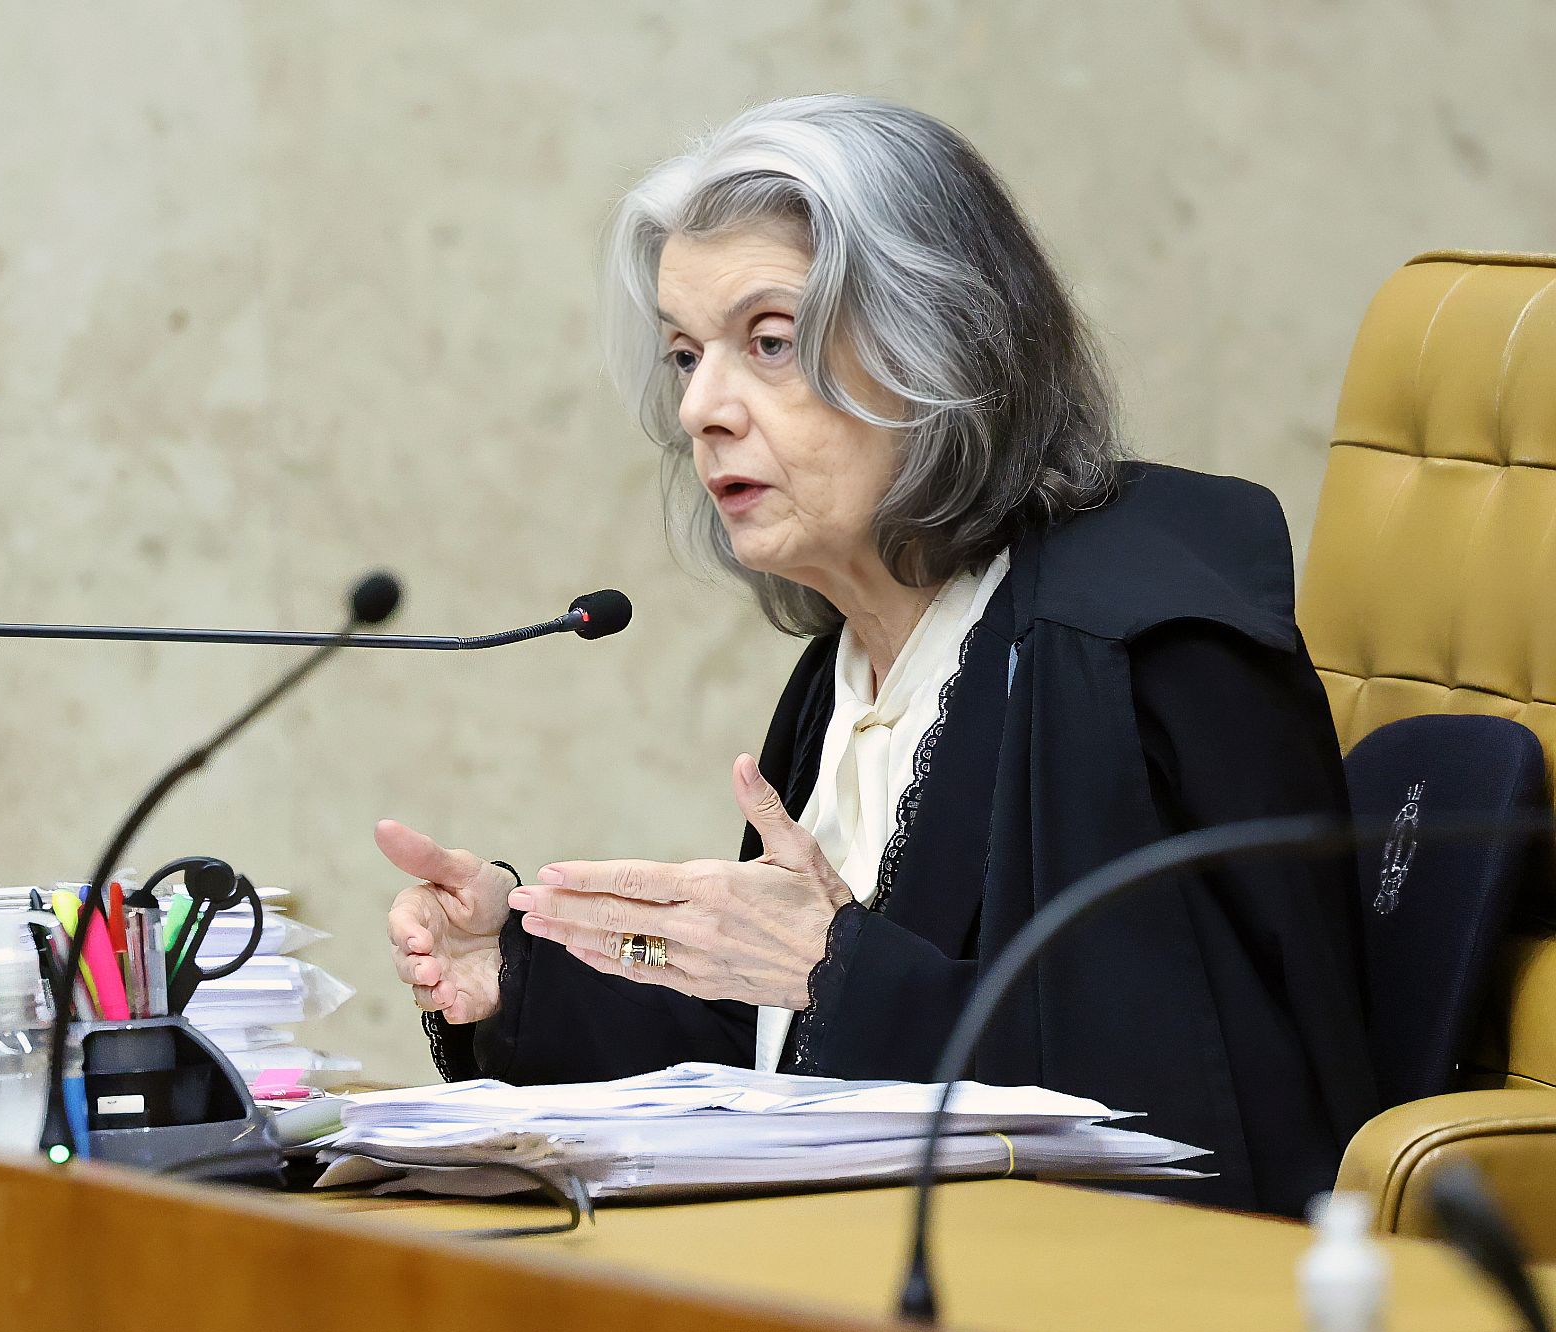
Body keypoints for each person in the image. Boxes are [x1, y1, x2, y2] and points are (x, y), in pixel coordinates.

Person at [376, 94, 1375, 1216]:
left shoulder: (1133, 652)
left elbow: (1200, 1125)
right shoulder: (845, 671)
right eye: (684, 355)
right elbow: (778, 1060)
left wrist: (835, 968)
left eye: (769, 341)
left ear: (941, 339)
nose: (702, 406)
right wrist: (518, 980)